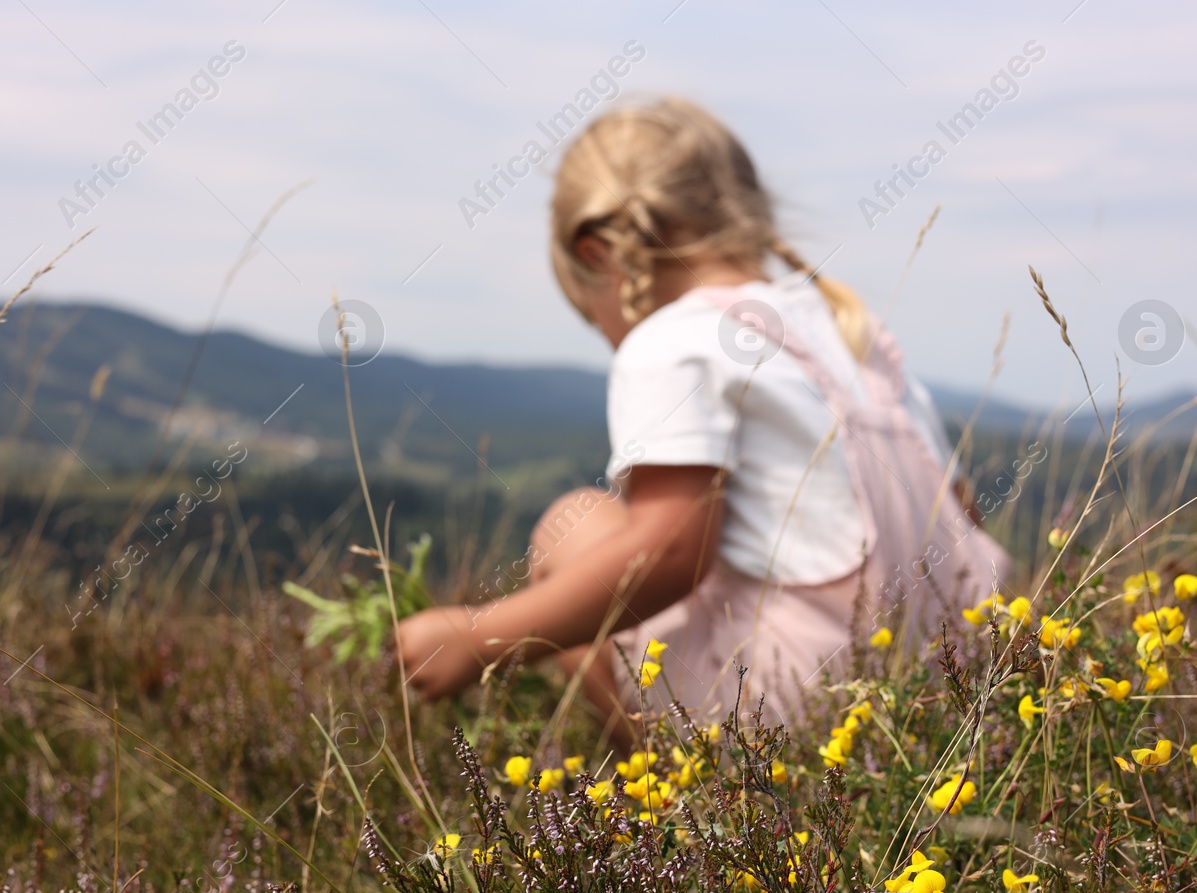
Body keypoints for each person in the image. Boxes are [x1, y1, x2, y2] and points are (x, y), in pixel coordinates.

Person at [396, 97, 1007, 737]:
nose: (606, 336)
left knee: (570, 526)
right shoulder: (854, 331)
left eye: (591, 315)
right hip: (954, 677)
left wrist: (482, 637)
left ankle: (675, 790)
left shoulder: (670, 340)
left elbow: (671, 552)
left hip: (805, 711)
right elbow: (959, 513)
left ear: (601, 255)